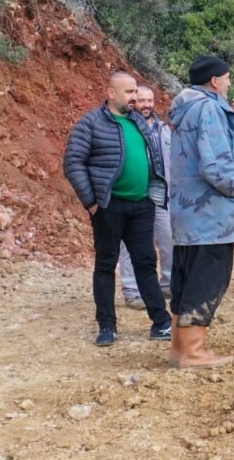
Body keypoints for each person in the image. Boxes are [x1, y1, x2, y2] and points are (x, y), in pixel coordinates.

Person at [63, 71, 172, 347]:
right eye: (129, 92)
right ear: (111, 94)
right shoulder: (91, 123)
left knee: (146, 264)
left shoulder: (139, 122)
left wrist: (153, 192)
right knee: (105, 265)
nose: (134, 97)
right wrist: (92, 202)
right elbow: (73, 162)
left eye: (136, 92)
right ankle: (107, 327)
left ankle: (161, 323)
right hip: (109, 206)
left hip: (141, 204)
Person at [165, 56, 234, 368]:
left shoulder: (185, 108)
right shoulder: (210, 108)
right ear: (215, 81)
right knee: (207, 277)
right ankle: (194, 352)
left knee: (186, 277)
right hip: (210, 214)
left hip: (187, 213)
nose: (230, 83)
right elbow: (215, 164)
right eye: (227, 78)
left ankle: (179, 348)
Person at [118, 85, 173, 308]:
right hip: (133, 192)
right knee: (129, 244)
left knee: (168, 239)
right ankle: (132, 290)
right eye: (142, 100)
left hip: (160, 192)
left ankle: (168, 284)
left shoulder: (163, 128)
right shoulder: (124, 127)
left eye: (150, 100)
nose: (147, 105)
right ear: (133, 101)